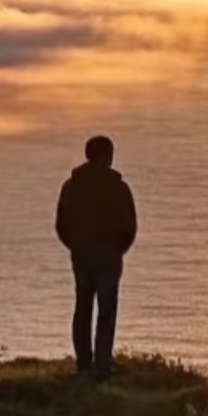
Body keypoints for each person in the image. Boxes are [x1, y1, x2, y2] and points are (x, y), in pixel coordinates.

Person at [55, 135, 138, 378]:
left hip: (81, 257)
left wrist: (75, 246)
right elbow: (129, 227)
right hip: (109, 259)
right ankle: (102, 364)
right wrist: (117, 250)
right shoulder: (118, 187)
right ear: (105, 155)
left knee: (82, 307)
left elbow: (62, 225)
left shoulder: (71, 186)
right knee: (106, 310)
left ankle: (83, 363)